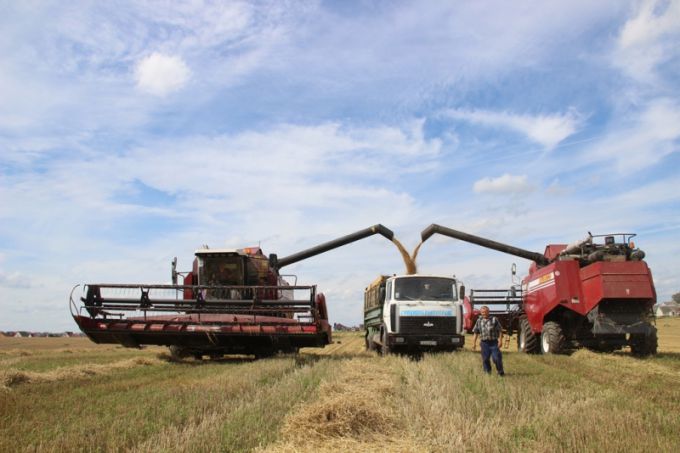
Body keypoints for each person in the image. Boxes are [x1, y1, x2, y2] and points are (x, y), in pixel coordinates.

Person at [472, 306, 505, 376]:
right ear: (480, 313)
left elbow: (500, 330)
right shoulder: (479, 321)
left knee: (496, 358)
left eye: (486, 312)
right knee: (485, 359)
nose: (484, 314)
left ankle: (500, 372)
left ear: (488, 312)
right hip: (484, 343)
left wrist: (500, 341)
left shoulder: (494, 319)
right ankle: (487, 373)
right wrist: (474, 343)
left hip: (494, 343)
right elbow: (475, 332)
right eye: (482, 312)